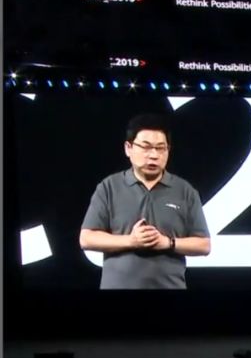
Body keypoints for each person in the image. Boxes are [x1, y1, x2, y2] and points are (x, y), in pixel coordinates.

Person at [79, 113, 211, 289]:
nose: (154, 155)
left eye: (160, 148)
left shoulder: (185, 190)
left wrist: (168, 243)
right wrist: (131, 241)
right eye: (146, 147)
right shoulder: (109, 187)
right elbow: (87, 239)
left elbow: (204, 245)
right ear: (128, 148)